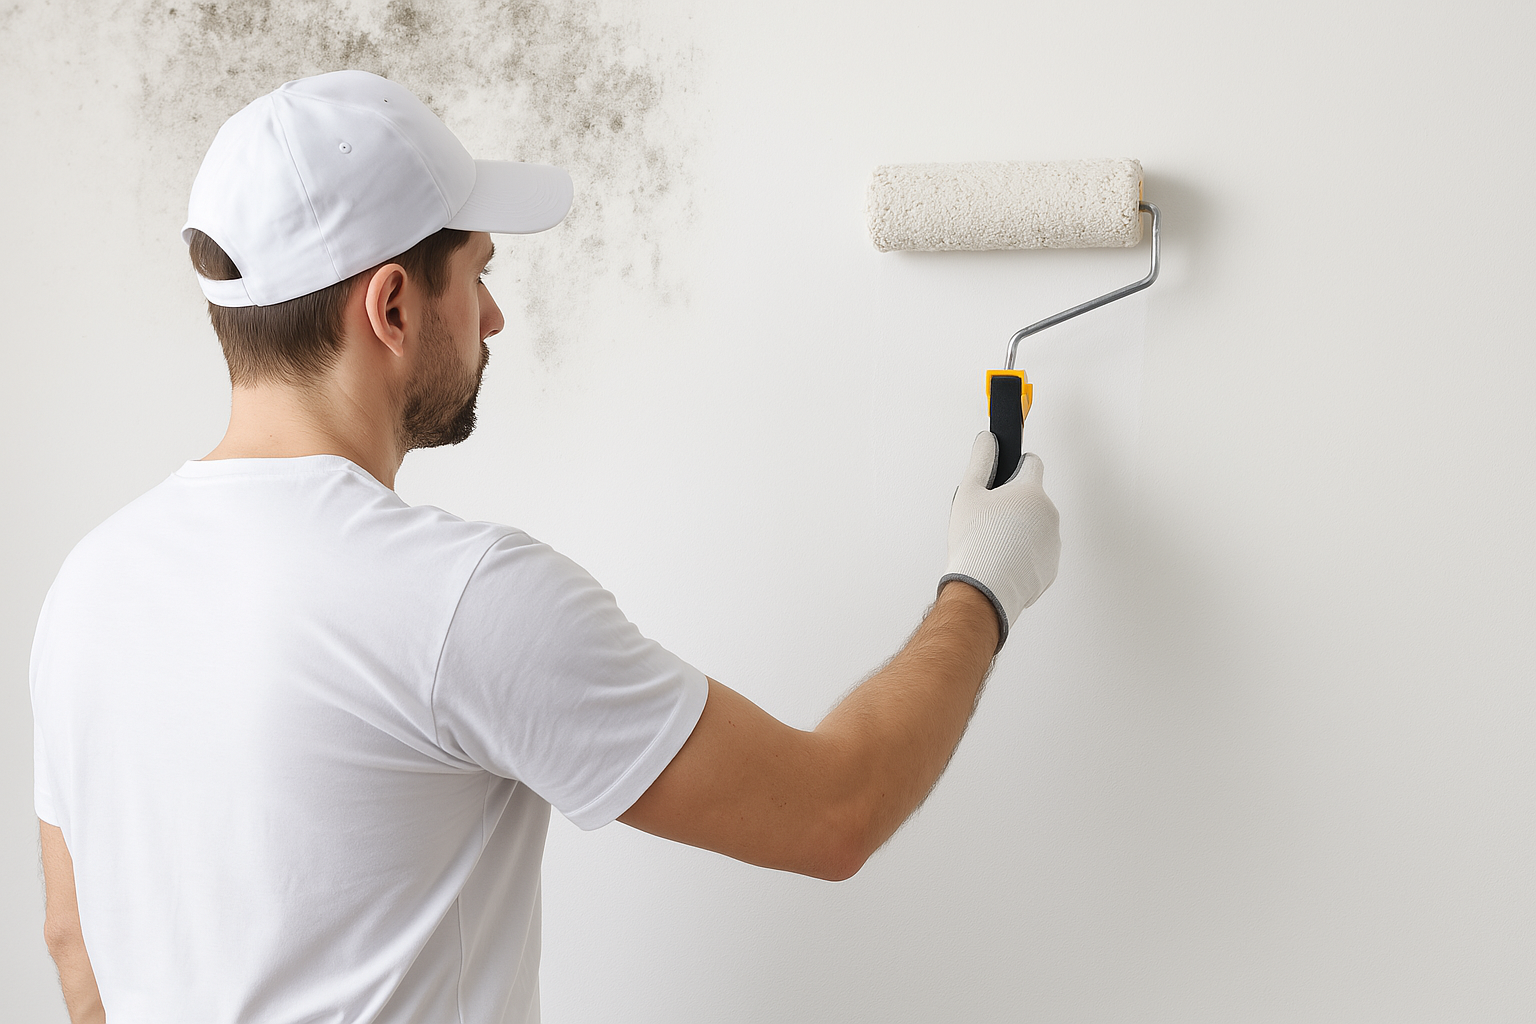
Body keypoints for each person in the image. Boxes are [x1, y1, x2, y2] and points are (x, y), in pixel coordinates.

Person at [30, 71, 1061, 1024]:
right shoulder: (458, 599)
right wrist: (983, 581)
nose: (494, 314)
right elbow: (834, 810)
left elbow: (77, 948)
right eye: (475, 271)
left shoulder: (90, 585)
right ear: (390, 305)